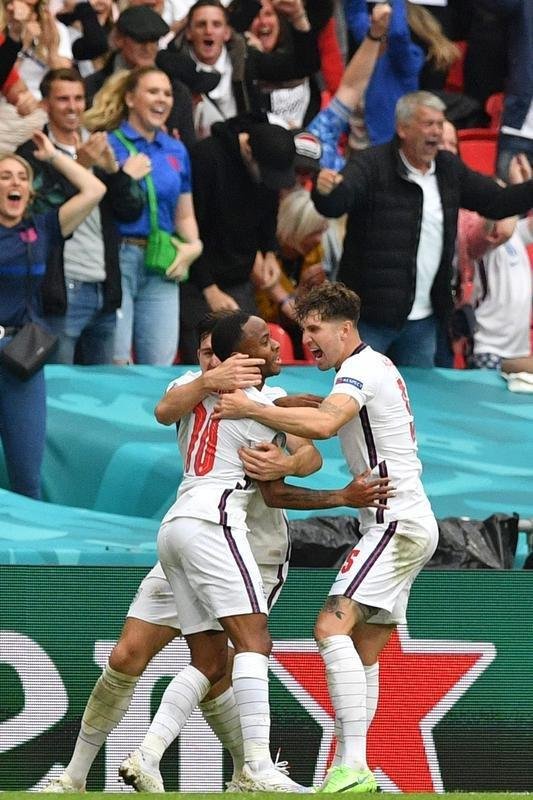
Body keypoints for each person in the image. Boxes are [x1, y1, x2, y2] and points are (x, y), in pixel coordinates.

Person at [38, 311, 328, 793]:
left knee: (214, 663)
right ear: (215, 356)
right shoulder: (199, 386)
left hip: (235, 542)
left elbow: (308, 452)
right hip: (213, 527)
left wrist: (288, 458)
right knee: (152, 654)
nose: (213, 362)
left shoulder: (263, 400)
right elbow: (167, 408)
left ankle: (216, 766)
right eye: (207, 353)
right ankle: (80, 774)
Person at [117, 310, 393, 793]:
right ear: (242, 356)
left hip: (175, 526)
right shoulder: (249, 407)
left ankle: (147, 755)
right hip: (216, 524)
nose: (278, 346)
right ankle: (259, 768)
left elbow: (168, 411)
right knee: (255, 642)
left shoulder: (207, 393)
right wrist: (341, 496)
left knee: (207, 660)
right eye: (265, 341)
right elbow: (284, 482)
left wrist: (277, 404)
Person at [213, 282, 439, 793]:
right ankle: (358, 768)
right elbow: (321, 424)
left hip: (393, 521)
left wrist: (253, 409)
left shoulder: (359, 368)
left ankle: (352, 767)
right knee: (362, 654)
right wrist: (285, 436)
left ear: (345, 328)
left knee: (327, 629)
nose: (306, 340)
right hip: (407, 520)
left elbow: (325, 422)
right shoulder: (368, 368)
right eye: (301, 330)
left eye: (314, 329)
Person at [311, 90, 533, 368]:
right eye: (428, 124)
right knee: (356, 396)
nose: (437, 132)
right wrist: (325, 193)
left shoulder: (448, 169)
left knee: (417, 405)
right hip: (367, 317)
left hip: (423, 321)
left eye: (440, 124)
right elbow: (337, 202)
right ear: (402, 128)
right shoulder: (371, 164)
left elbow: (497, 203)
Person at [0, 131, 105, 499]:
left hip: (21, 359)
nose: (15, 184)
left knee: (27, 476)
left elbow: (94, 190)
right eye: (5, 176)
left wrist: (53, 157)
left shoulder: (42, 228)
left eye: (22, 177)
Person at [16, 68, 145, 364]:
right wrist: (80, 166)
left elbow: (130, 210)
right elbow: (40, 214)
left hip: (106, 285)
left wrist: (114, 172)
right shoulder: (31, 154)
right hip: (62, 289)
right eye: (63, 99)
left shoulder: (100, 145)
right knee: (60, 390)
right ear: (45, 104)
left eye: (78, 98)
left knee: (101, 390)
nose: (73, 106)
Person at [84, 65, 203, 365]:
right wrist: (121, 174)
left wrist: (193, 246)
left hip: (162, 260)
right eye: (152, 91)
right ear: (130, 99)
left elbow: (184, 214)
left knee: (160, 364)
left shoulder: (176, 149)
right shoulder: (107, 143)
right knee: (117, 361)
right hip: (118, 257)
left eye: (167, 93)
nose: (161, 99)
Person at [178, 113, 295, 363]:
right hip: (197, 280)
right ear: (249, 151)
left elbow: (268, 209)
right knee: (204, 359)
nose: (267, 180)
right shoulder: (207, 158)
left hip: (239, 278)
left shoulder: (267, 164)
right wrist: (209, 289)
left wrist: (270, 252)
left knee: (252, 358)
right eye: (264, 173)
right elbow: (189, 227)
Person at [162, 0, 319, 139]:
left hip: (245, 147)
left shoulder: (245, 58)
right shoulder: (174, 67)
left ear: (227, 33)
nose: (208, 31)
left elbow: (303, 66)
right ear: (189, 33)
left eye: (216, 24)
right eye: (201, 24)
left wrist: (298, 17)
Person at [84, 5, 196, 150]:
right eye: (140, 40)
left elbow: (188, 150)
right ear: (118, 39)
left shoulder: (177, 91)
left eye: (154, 41)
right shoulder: (92, 86)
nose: (148, 48)